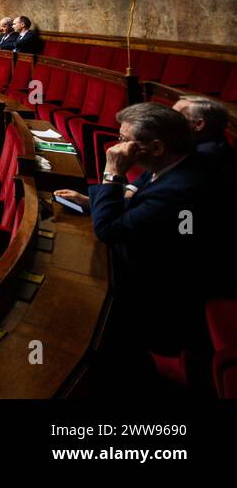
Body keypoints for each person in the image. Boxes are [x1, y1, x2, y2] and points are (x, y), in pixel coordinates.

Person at [55, 103, 217, 368]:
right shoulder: (173, 162)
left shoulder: (180, 189)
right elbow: (132, 193)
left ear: (156, 147)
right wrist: (90, 201)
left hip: (158, 297)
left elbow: (108, 230)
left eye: (124, 140)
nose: (117, 147)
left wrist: (112, 173)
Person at [172, 95, 234, 177]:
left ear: (198, 124)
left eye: (174, 117)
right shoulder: (211, 140)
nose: (167, 120)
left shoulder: (202, 158)